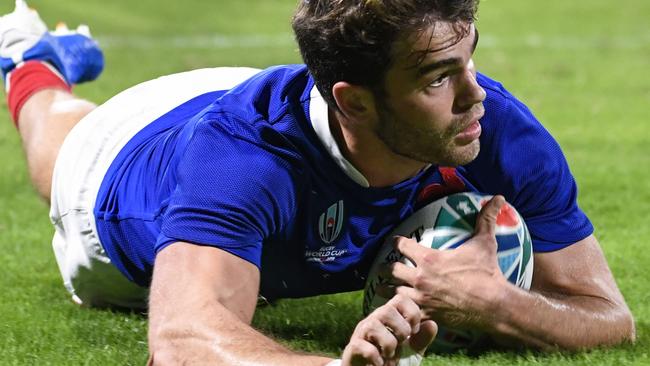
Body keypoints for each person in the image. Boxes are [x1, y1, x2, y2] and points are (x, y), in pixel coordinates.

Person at [0, 0, 635, 365]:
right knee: (54, 143)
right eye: (438, 78)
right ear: (355, 103)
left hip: (266, 90)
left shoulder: (488, 124)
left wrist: (497, 303)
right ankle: (31, 65)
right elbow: (182, 336)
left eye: (469, 61)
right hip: (118, 171)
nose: (476, 96)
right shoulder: (245, 163)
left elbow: (610, 318)